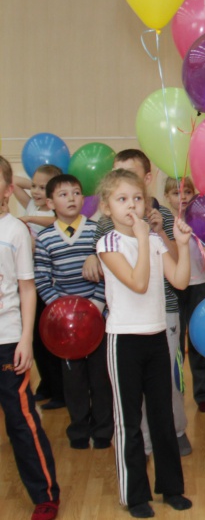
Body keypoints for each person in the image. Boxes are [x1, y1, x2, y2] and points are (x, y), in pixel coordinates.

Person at [95, 168, 193, 518]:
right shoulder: (108, 244)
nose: (131, 205)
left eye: (137, 198)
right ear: (106, 207)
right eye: (122, 199)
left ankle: (171, 487)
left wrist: (181, 245)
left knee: (162, 415)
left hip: (156, 337)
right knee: (129, 420)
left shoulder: (153, 240)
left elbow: (179, 281)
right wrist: (140, 238)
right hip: (124, 341)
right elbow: (137, 283)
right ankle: (134, 494)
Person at [0, 155, 61, 520]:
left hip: (7, 340)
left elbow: (26, 288)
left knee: (20, 420)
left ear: (8, 189)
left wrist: (25, 340)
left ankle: (45, 494)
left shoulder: (15, 232)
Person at [34, 174, 112, 450]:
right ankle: (78, 429)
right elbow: (42, 279)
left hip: (97, 318)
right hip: (65, 326)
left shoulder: (96, 231)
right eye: (63, 194)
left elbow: (108, 272)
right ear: (50, 203)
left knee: (100, 377)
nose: (71, 198)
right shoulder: (45, 238)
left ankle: (103, 430)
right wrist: (63, 311)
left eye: (76, 193)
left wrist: (94, 308)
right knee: (74, 379)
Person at [13, 163, 65, 410]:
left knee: (49, 340)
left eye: (43, 188)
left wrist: (30, 218)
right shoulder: (31, 204)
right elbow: (14, 182)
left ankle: (59, 390)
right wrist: (36, 187)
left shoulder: (54, 214)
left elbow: (54, 222)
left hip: (46, 285)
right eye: (33, 186)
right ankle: (46, 384)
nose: (35, 191)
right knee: (34, 339)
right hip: (29, 281)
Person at [164, 176, 205, 413]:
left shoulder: (200, 219)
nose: (182, 197)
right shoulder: (165, 222)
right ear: (167, 197)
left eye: (187, 192)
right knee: (175, 342)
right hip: (174, 285)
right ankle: (175, 392)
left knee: (199, 339)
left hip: (199, 285)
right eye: (176, 193)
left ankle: (204, 394)